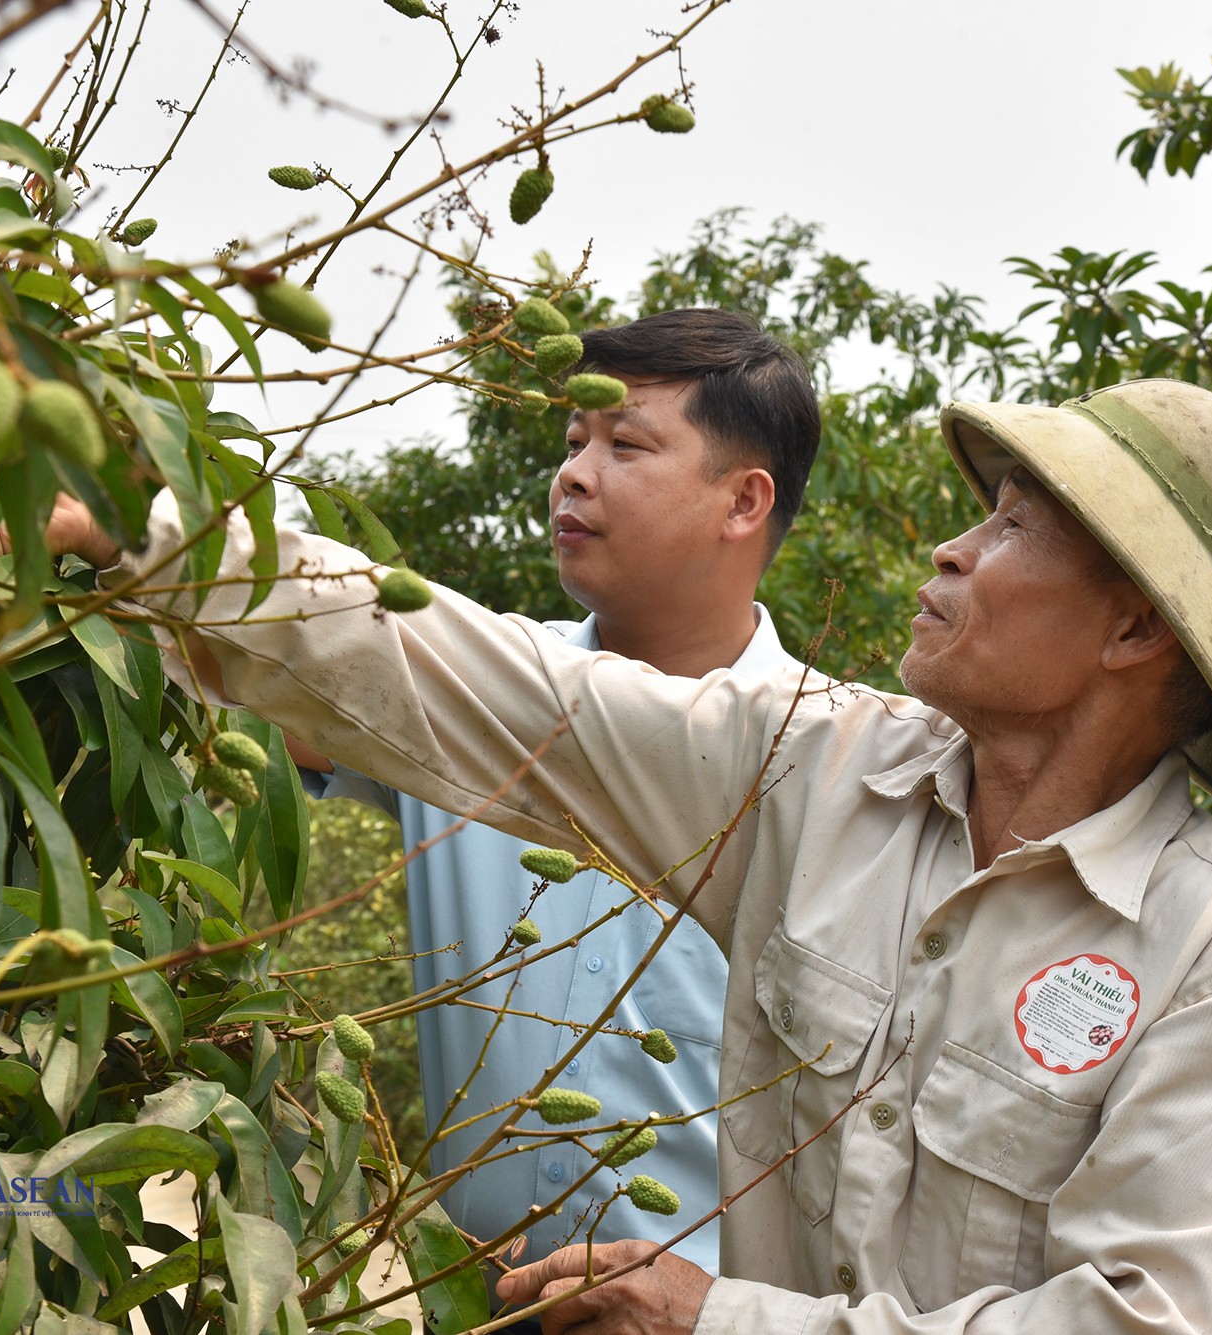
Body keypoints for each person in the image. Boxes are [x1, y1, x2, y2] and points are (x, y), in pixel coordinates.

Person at [61, 376, 1212, 1335]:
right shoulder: (815, 770)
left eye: (1012, 529)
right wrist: (151, 542)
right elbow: (483, 688)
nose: (952, 549)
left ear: (1132, 629)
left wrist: (716, 1321)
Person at [295, 308, 824, 1290]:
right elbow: (267, 667)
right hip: (467, 1301)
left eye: (625, 445)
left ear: (742, 502)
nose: (574, 473)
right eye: (573, 441)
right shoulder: (470, 692)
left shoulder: (822, 772)